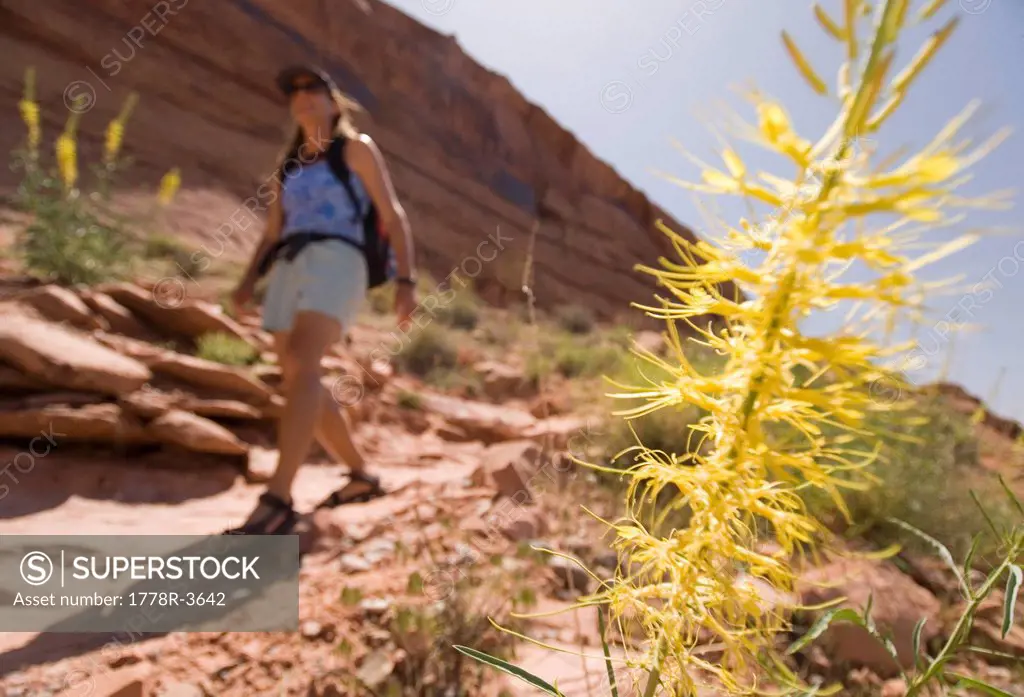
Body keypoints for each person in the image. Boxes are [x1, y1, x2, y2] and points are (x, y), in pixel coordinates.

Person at [225, 65, 417, 534]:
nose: (302, 96)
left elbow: (391, 215)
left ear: (334, 103)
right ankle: (361, 475)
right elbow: (272, 232)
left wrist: (406, 281)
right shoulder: (288, 169)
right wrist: (248, 281)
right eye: (295, 91)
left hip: (340, 259)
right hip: (290, 264)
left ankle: (278, 497)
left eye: (314, 88)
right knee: (297, 375)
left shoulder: (355, 150)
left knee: (303, 360)